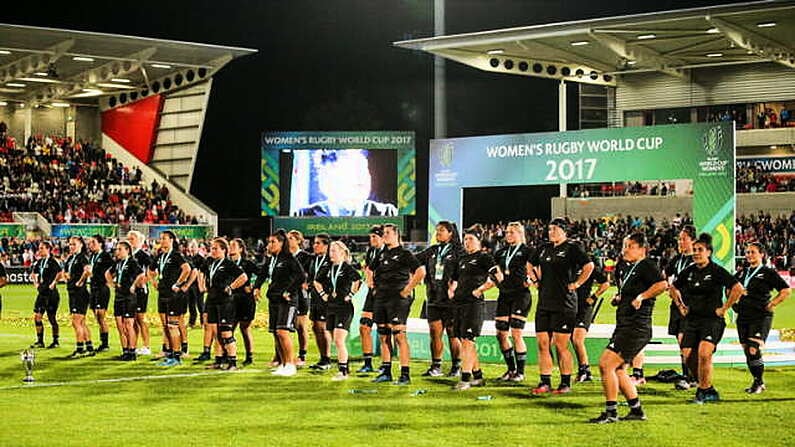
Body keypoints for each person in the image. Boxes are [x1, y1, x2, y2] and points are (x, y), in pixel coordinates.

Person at [589, 233, 667, 424]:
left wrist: (642, 297)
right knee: (619, 369)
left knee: (606, 364)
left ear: (641, 249)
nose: (625, 249)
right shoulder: (626, 267)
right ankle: (636, 410)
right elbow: (627, 291)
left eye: (630, 246)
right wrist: (620, 298)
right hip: (625, 324)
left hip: (636, 327)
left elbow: (662, 284)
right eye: (624, 245)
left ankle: (611, 412)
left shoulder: (647, 265)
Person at [670, 233, 744, 403]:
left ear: (709, 252)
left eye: (700, 250)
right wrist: (681, 305)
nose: (696, 253)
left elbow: (737, 288)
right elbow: (673, 288)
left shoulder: (716, 271)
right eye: (694, 250)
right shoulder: (688, 271)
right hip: (692, 320)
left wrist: (725, 308)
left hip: (712, 320)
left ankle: (703, 392)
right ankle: (706, 386)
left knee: (704, 353)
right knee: (687, 354)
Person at [530, 218, 594, 395]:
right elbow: (530, 263)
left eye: (555, 229)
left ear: (564, 231)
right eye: (549, 229)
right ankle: (545, 382)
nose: (551, 232)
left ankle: (565, 382)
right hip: (544, 303)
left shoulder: (572, 248)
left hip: (564, 303)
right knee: (543, 344)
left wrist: (577, 284)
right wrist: (535, 280)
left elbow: (589, 266)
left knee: (560, 345)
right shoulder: (543, 248)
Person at [371, 223, 425, 385]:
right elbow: (369, 269)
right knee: (383, 334)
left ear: (396, 235)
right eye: (383, 233)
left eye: (387, 233)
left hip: (397, 299)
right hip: (381, 297)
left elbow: (421, 271)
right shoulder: (381, 254)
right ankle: (386, 371)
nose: (384, 235)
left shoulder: (404, 253)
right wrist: (373, 286)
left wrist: (408, 289)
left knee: (399, 335)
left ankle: (405, 374)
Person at [733, 242, 790, 394]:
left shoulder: (768, 272)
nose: (749, 255)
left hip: (760, 316)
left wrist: (772, 303)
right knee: (747, 350)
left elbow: (785, 290)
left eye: (752, 252)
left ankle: (758, 382)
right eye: (747, 252)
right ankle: (758, 381)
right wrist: (733, 303)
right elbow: (729, 287)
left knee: (753, 348)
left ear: (761, 255)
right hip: (743, 315)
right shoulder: (741, 273)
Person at [448, 227, 497, 390]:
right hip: (459, 303)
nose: (467, 242)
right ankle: (478, 376)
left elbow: (497, 276)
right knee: (464, 341)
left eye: (471, 239)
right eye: (466, 239)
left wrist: (480, 290)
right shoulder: (462, 259)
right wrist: (452, 290)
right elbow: (454, 279)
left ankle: (465, 379)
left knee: (468, 340)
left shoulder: (484, 257)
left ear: (479, 241)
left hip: (473, 304)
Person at [254, 229, 305, 377]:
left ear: (282, 243)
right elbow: (263, 273)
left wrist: (289, 291)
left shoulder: (289, 259)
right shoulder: (271, 260)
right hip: (274, 299)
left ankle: (290, 364)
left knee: (283, 332)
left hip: (287, 301)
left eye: (272, 242)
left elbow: (301, 276)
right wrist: (257, 287)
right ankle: (283, 364)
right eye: (269, 242)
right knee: (276, 333)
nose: (269, 245)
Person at [416, 221, 463, 377]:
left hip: (451, 299)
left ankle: (457, 366)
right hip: (433, 297)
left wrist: (455, 287)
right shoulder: (433, 250)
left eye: (441, 230)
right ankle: (436, 366)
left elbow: (463, 272)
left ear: (450, 233)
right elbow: (413, 260)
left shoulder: (459, 251)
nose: (438, 233)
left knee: (452, 333)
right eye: (436, 231)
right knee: (434, 332)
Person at [293, 150, 398, 217]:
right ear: (328, 178)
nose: (361, 179)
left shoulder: (387, 213)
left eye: (364, 171)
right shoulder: (303, 215)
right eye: (353, 171)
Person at [492, 222, 534, 382]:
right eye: (507, 232)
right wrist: (497, 281)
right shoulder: (501, 252)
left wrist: (531, 279)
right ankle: (511, 370)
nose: (508, 235)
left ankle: (520, 372)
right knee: (501, 334)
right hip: (504, 295)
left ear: (519, 233)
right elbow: (493, 270)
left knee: (516, 333)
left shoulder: (528, 251)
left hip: (520, 295)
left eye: (511, 232)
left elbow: (537, 268)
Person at [314, 240, 361, 380]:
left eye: (334, 251)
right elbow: (316, 281)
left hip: (344, 308)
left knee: (339, 340)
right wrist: (323, 294)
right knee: (333, 339)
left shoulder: (347, 268)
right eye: (330, 251)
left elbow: (358, 280)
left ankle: (343, 371)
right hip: (330, 307)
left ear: (342, 252)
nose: (331, 254)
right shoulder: (327, 267)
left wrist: (351, 295)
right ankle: (343, 367)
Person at [203, 238, 248, 371]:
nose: (213, 251)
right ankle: (219, 360)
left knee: (226, 332)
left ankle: (232, 362)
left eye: (216, 248)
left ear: (224, 250)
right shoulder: (211, 263)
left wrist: (231, 287)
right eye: (212, 248)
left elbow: (243, 277)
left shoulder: (228, 264)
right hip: (212, 300)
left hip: (225, 302)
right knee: (216, 332)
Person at [151, 230, 192, 367]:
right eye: (161, 238)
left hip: (174, 295)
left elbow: (187, 269)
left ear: (171, 240)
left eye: (164, 238)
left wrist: (178, 284)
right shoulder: (160, 256)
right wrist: (154, 281)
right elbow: (150, 270)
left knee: (173, 326)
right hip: (162, 294)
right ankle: (169, 354)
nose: (161, 241)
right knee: (166, 326)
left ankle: (176, 356)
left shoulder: (176, 255)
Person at [663, 225, 696, 390]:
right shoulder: (677, 259)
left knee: (685, 342)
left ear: (693, 240)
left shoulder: (696, 260)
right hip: (675, 306)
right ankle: (691, 376)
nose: (680, 242)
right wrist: (668, 286)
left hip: (689, 307)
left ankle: (689, 377)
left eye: (683, 239)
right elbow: (665, 273)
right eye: (679, 239)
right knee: (681, 342)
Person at [106, 241, 147, 361]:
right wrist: (111, 283)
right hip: (118, 296)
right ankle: (125, 350)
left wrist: (134, 285)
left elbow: (141, 274)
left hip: (129, 297)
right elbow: (108, 273)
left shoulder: (132, 262)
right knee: (120, 325)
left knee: (129, 324)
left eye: (120, 249)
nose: (117, 252)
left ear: (127, 250)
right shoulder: (118, 263)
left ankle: (132, 351)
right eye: (116, 249)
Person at [573, 260, 610, 383]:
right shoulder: (565, 263)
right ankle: (581, 370)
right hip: (568, 306)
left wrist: (594, 297)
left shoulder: (589, 266)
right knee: (567, 341)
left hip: (584, 307)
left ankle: (585, 370)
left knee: (577, 339)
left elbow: (605, 283)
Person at [357, 225, 385, 373]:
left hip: (383, 294)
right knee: (364, 326)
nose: (371, 239)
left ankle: (385, 363)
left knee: (383, 330)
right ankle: (367, 363)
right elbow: (367, 269)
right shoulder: (371, 252)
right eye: (370, 237)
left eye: (374, 236)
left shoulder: (387, 252)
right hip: (371, 293)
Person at [229, 238, 259, 366]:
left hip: (246, 300)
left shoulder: (248, 264)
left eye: (234, 246)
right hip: (231, 300)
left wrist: (253, 285)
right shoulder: (226, 264)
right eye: (230, 245)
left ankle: (249, 355)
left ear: (241, 249)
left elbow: (261, 274)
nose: (231, 248)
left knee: (244, 328)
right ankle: (228, 355)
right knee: (229, 329)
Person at [64, 236, 93, 357]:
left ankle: (80, 349)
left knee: (76, 322)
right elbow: (65, 272)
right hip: (73, 293)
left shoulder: (82, 257)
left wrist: (80, 281)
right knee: (81, 322)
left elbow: (88, 270)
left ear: (81, 245)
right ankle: (89, 347)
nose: (71, 247)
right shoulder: (71, 258)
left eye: (74, 244)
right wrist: (67, 277)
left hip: (79, 293)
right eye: (70, 244)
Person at [30, 241, 63, 348]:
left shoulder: (53, 262)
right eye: (39, 248)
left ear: (48, 249)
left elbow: (60, 273)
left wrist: (54, 283)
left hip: (51, 294)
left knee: (51, 318)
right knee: (37, 317)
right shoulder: (39, 262)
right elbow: (34, 273)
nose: (39, 250)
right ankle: (40, 341)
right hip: (42, 293)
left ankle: (55, 341)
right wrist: (36, 283)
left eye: (42, 248)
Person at [308, 233, 333, 370]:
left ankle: (327, 358)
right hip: (315, 298)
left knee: (323, 328)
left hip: (325, 298)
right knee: (315, 327)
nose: (314, 245)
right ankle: (322, 357)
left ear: (326, 245)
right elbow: (312, 277)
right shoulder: (314, 260)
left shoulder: (330, 260)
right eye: (314, 243)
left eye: (318, 243)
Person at [287, 230, 312, 367]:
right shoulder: (284, 256)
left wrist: (307, 283)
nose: (288, 240)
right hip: (288, 294)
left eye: (291, 238)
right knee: (284, 326)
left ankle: (302, 355)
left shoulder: (306, 257)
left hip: (301, 294)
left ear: (298, 241)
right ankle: (283, 355)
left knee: (301, 326)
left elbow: (311, 273)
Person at [87, 235, 114, 352]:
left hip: (102, 288)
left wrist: (108, 281)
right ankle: (103, 341)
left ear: (100, 244)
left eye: (93, 242)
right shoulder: (92, 256)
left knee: (101, 315)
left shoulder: (105, 256)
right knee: (96, 315)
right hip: (93, 288)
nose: (90, 244)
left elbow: (113, 269)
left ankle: (105, 344)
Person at [127, 231, 153, 356]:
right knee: (134, 318)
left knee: (141, 318)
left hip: (141, 290)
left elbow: (152, 271)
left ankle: (147, 345)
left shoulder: (143, 255)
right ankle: (134, 345)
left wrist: (144, 282)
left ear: (139, 241)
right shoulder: (128, 255)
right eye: (128, 239)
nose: (130, 241)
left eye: (132, 239)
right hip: (130, 290)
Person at [185, 240, 206, 329]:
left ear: (197, 248)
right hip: (190, 284)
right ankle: (191, 322)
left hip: (198, 284)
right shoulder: (188, 258)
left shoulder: (201, 259)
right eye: (191, 246)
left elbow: (204, 272)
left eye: (194, 246)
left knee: (200, 304)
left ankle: (203, 322)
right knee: (191, 304)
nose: (192, 248)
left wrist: (202, 284)